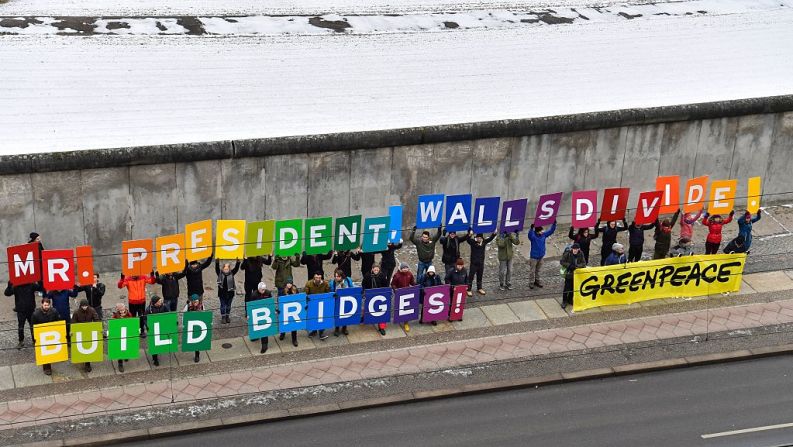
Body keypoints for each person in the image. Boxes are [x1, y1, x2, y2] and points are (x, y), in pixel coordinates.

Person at [5, 280, 42, 349]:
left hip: (30, 309)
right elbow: (7, 293)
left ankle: (34, 340)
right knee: (21, 326)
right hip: (21, 310)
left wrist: (39, 281)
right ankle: (21, 341)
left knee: (32, 326)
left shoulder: (31, 284)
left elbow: (40, 288)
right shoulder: (16, 286)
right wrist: (9, 286)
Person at [117, 272, 155, 336]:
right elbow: (120, 286)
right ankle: (133, 330)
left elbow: (152, 282)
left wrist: (152, 275)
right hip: (132, 302)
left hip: (141, 301)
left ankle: (142, 331)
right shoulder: (128, 279)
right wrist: (122, 279)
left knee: (141, 317)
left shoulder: (143, 277)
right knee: (133, 317)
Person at [31, 297, 61, 375]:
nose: (46, 307)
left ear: (50, 305)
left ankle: (50, 363)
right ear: (42, 305)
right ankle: (47, 368)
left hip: (51, 333)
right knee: (44, 352)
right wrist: (34, 338)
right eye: (45, 305)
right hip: (42, 335)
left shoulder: (54, 311)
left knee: (50, 350)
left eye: (47, 305)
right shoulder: (36, 314)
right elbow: (33, 327)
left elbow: (58, 322)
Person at [72, 300, 101, 372]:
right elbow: (73, 322)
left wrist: (97, 328)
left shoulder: (92, 310)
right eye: (83, 306)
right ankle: (83, 360)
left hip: (89, 330)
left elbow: (97, 319)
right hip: (80, 332)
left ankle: (87, 364)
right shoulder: (76, 312)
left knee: (88, 346)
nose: (84, 307)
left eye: (86, 306)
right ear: (80, 306)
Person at [466, 231, 496, 296]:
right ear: (476, 238)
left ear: (482, 238)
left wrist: (494, 233)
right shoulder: (473, 242)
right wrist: (469, 234)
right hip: (473, 263)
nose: (479, 239)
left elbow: (490, 239)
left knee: (480, 276)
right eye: (478, 238)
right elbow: (467, 240)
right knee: (471, 277)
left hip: (481, 263)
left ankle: (479, 288)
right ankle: (468, 289)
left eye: (480, 238)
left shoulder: (484, 242)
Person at [528, 221, 556, 289]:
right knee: (532, 271)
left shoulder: (543, 235)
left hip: (541, 257)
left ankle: (537, 281)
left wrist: (554, 224)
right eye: (541, 231)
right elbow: (530, 236)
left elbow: (551, 231)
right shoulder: (533, 237)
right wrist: (531, 229)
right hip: (534, 257)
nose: (542, 231)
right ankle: (531, 283)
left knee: (538, 270)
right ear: (537, 231)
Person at [389, 263, 415, 336]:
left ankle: (406, 323)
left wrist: (416, 286)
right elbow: (393, 284)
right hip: (399, 294)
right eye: (403, 268)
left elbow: (412, 282)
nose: (405, 269)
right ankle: (398, 318)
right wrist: (395, 290)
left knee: (406, 309)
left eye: (406, 268)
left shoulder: (409, 274)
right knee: (398, 308)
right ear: (400, 268)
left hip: (407, 294)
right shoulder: (397, 275)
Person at [304, 271, 331, 340]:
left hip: (322, 303)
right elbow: (305, 294)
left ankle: (321, 333)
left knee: (322, 318)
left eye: (319, 278)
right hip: (313, 303)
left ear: (321, 277)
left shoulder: (325, 284)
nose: (317, 279)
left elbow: (328, 293)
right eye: (316, 277)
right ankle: (314, 331)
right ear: (314, 277)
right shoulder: (309, 283)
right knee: (313, 317)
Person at [248, 282, 273, 353]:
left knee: (264, 329)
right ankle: (256, 336)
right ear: (258, 289)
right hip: (257, 313)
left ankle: (264, 345)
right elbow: (250, 305)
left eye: (264, 289)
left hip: (265, 313)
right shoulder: (254, 295)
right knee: (256, 326)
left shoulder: (268, 293)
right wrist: (248, 314)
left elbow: (270, 302)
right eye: (262, 290)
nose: (263, 291)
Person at [560, 243, 586, 310]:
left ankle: (570, 299)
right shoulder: (568, 253)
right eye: (574, 249)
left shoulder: (581, 254)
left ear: (578, 249)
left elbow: (583, 263)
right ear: (572, 249)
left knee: (573, 288)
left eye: (576, 249)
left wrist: (577, 266)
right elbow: (562, 261)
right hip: (569, 274)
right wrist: (569, 265)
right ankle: (564, 301)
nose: (575, 250)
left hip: (576, 275)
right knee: (566, 288)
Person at [333, 268, 358, 336]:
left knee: (345, 314)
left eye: (338, 276)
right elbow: (331, 291)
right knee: (337, 315)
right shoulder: (333, 282)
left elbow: (351, 288)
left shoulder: (348, 280)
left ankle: (344, 327)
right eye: (335, 276)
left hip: (346, 299)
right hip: (337, 301)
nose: (336, 278)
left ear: (342, 276)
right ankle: (337, 328)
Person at [145, 296, 168, 366]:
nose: (161, 302)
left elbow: (168, 314)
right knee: (154, 343)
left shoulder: (164, 307)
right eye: (159, 301)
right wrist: (147, 326)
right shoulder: (149, 309)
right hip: (153, 329)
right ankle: (155, 359)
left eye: (160, 301)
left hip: (161, 327)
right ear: (155, 303)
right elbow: (145, 319)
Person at [215, 259, 240, 324]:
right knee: (223, 306)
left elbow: (236, 269)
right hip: (222, 294)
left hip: (230, 293)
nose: (226, 270)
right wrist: (217, 262)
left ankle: (227, 316)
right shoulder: (220, 274)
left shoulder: (232, 273)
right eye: (225, 269)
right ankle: (223, 317)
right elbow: (217, 269)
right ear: (223, 269)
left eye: (227, 269)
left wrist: (238, 262)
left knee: (228, 306)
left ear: (229, 269)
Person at [278, 279, 299, 347]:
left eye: (290, 283)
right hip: (285, 309)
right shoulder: (282, 291)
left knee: (293, 325)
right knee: (284, 322)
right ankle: (282, 334)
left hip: (293, 309)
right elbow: (279, 300)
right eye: (288, 283)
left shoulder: (295, 290)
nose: (289, 285)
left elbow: (299, 298)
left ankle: (294, 339)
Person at [112, 302, 133, 372]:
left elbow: (132, 323)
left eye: (123, 310)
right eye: (120, 310)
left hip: (126, 334)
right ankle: (120, 364)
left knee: (127, 346)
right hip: (119, 335)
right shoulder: (115, 316)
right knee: (120, 350)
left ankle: (126, 355)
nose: (122, 311)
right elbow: (113, 325)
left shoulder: (129, 314)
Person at [183, 294, 204, 363]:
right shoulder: (188, 306)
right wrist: (184, 324)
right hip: (190, 326)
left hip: (198, 325)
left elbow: (205, 315)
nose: (195, 303)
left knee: (197, 342)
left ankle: (197, 355)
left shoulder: (202, 306)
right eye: (194, 301)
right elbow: (184, 315)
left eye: (196, 301)